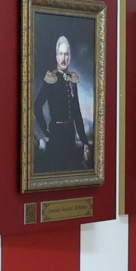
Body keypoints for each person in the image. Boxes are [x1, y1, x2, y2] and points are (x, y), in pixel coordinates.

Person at [32, 32, 92, 174]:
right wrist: (46, 130)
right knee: (57, 171)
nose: (63, 58)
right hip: (56, 135)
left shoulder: (73, 79)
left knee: (70, 171)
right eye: (60, 54)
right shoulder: (51, 78)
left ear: (69, 56)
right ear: (56, 56)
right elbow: (37, 106)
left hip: (70, 134)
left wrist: (84, 142)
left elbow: (77, 112)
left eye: (66, 54)